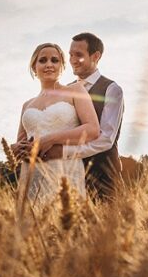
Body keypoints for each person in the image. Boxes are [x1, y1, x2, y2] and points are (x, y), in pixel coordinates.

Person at [13, 43, 100, 205]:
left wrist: (51, 139)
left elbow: (92, 129)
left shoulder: (76, 90)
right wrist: (15, 148)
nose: (48, 65)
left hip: (65, 172)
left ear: (62, 66)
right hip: (32, 174)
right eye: (42, 60)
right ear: (34, 67)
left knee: (66, 223)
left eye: (55, 60)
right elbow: (21, 142)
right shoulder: (27, 105)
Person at [42, 32, 124, 199]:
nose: (72, 59)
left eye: (78, 55)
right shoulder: (66, 90)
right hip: (68, 180)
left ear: (95, 56)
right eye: (70, 54)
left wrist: (64, 152)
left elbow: (106, 139)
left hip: (103, 177)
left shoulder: (111, 89)